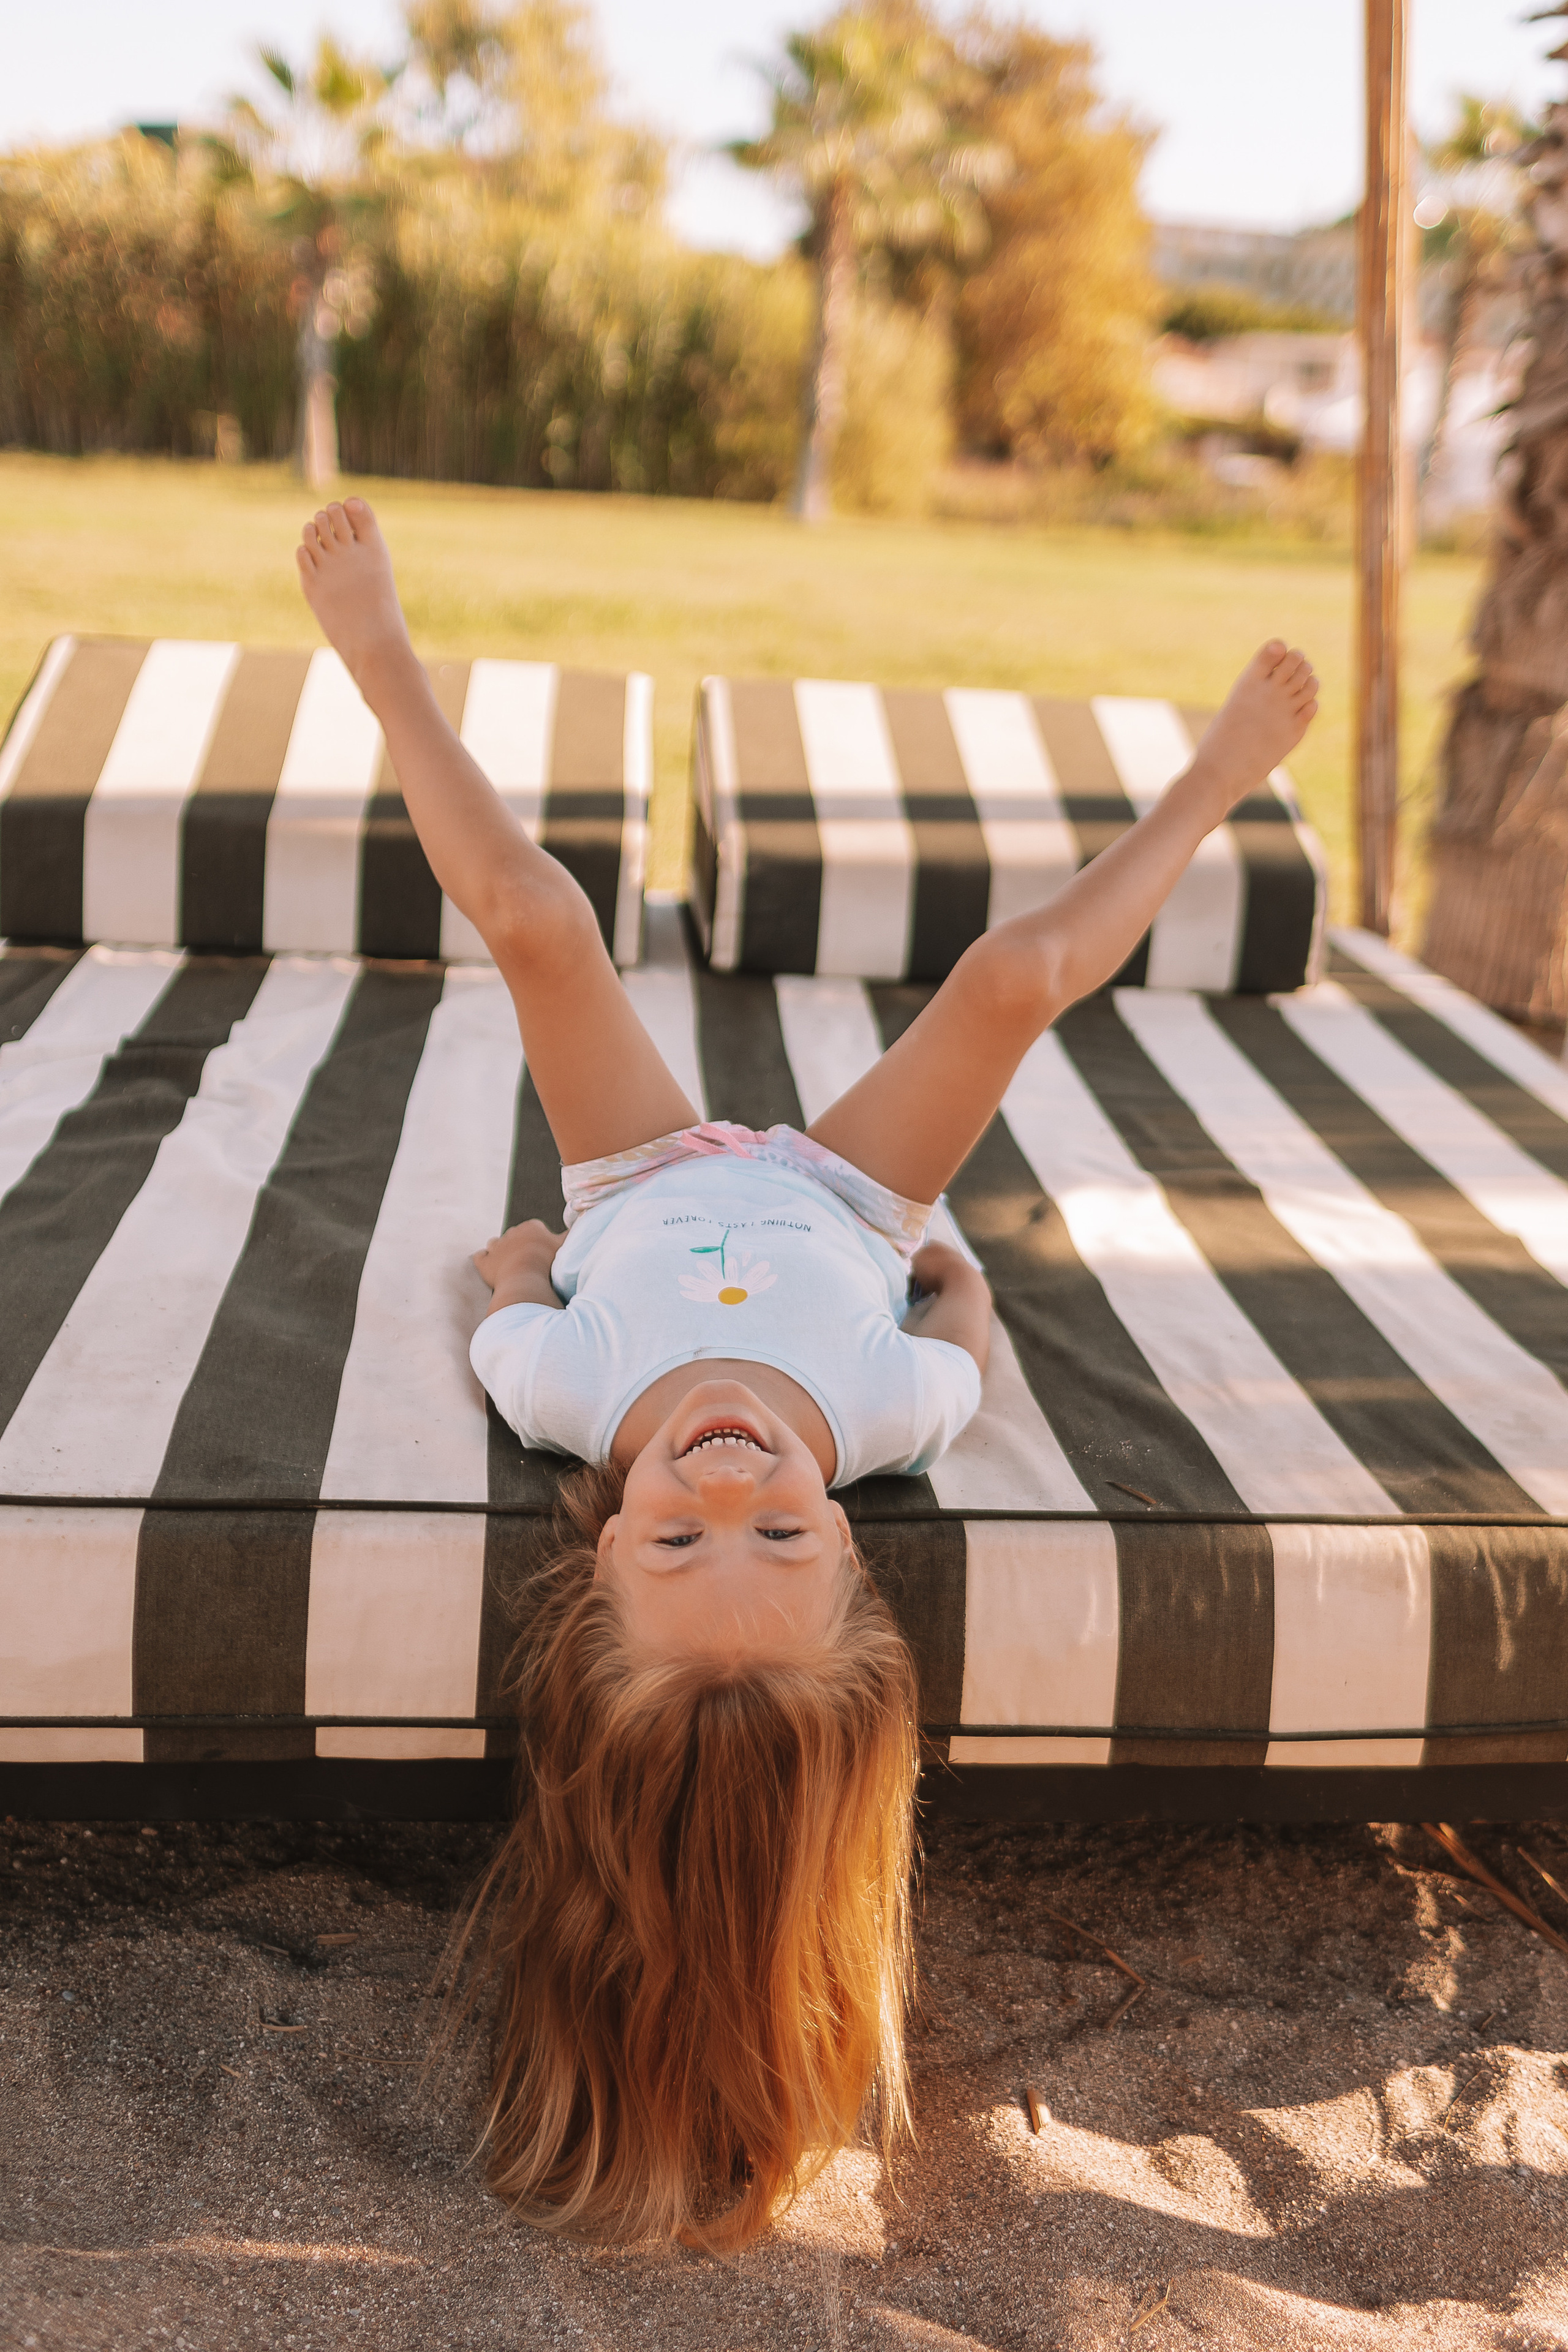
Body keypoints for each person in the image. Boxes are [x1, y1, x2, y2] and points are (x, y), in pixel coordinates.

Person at [294, 496, 1319, 2248]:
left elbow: (502, 1302)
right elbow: (966, 1364)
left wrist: (524, 1264)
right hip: (847, 1195)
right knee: (1009, 977)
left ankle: (382, 667)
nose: (726, 1489)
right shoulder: (880, 1420)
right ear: (854, 1546)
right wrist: (952, 1277)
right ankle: (1218, 783)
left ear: (596, 1554)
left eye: (676, 1544)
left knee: (539, 918)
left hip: (636, 1183)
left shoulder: (571, 1399)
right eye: (782, 1541)